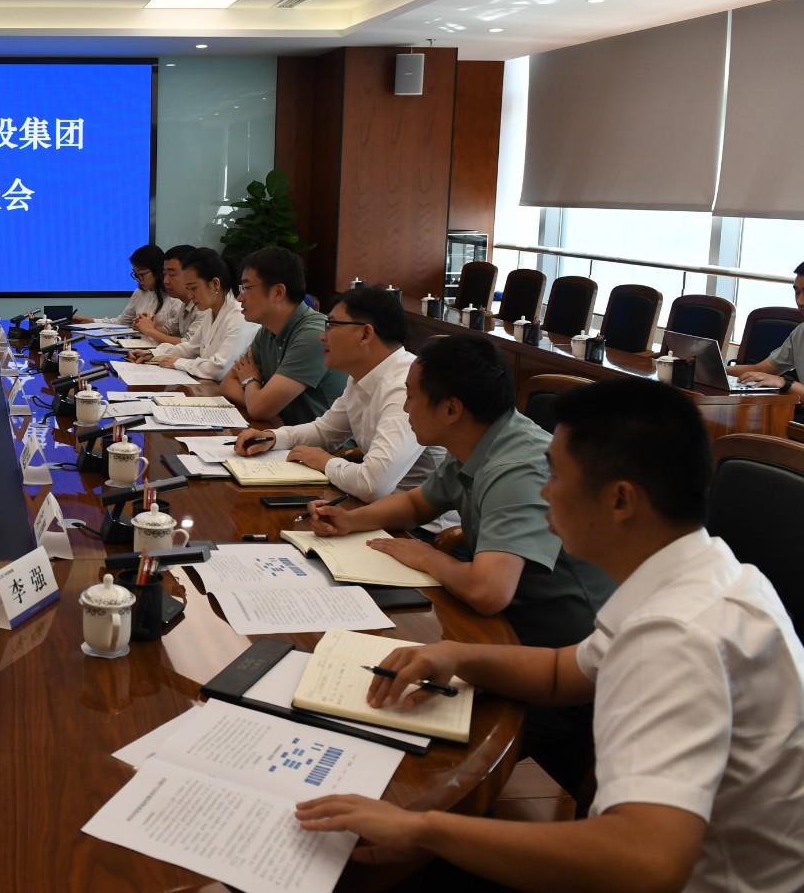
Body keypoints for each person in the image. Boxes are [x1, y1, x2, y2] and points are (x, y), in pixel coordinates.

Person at [296, 377, 804, 893]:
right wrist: (456, 656)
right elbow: (564, 672)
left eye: (556, 476)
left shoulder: (676, 636)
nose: (543, 492)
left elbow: (646, 862)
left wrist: (424, 829)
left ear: (620, 500)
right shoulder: (704, 573)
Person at [308, 333, 615, 797]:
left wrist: (428, 556)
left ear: (451, 409)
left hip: (565, 667)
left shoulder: (518, 466)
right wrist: (350, 520)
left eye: (412, 397)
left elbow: (490, 591)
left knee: (410, 748)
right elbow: (417, 504)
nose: (405, 407)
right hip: (512, 637)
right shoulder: (480, 442)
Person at [233, 286, 443, 503]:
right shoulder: (361, 376)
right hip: (380, 507)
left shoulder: (404, 387)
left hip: (421, 521)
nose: (322, 336)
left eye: (331, 325)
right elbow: (325, 432)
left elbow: (374, 485)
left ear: (365, 334)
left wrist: (325, 461)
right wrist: (273, 438)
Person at [222, 246, 347, 425]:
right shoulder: (267, 330)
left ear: (278, 292)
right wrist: (268, 412)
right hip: (286, 433)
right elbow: (228, 384)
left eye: (247, 288)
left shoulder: (314, 335)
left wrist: (250, 380)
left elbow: (258, 408)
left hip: (323, 441)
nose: (240, 297)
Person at [127, 247, 256, 380]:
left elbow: (221, 368)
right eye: (187, 288)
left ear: (215, 284)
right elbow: (191, 348)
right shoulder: (211, 310)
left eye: (193, 288)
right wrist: (153, 353)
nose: (190, 295)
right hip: (208, 384)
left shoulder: (239, 315)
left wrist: (179, 363)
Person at [730, 259, 804, 405]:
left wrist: (786, 383)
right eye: (797, 292)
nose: (800, 301)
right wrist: (714, 370)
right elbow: (763, 369)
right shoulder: (801, 332)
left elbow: (779, 380)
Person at [75, 243, 177, 327]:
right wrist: (90, 320)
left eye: (141, 274)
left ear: (157, 271)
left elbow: (178, 337)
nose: (138, 279)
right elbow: (122, 322)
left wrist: (148, 329)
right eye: (135, 274)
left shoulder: (174, 296)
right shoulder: (139, 293)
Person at [133, 243, 199, 346]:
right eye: (164, 274)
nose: (166, 281)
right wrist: (144, 325)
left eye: (172, 274)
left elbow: (190, 345)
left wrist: (149, 330)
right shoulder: (184, 303)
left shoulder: (204, 307)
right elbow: (169, 329)